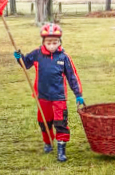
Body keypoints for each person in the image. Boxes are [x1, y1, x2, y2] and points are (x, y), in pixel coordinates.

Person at [13, 23, 84, 162]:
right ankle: (47, 142)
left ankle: (61, 150)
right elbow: (25, 64)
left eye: (55, 42)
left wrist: (78, 94)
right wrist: (19, 57)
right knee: (44, 121)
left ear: (60, 42)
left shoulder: (64, 57)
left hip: (59, 97)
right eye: (49, 42)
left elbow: (72, 77)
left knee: (60, 122)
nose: (52, 45)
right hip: (42, 96)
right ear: (43, 42)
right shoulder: (36, 54)